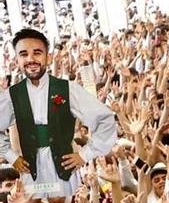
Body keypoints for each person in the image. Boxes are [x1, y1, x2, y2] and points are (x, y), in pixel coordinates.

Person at [0, 28, 117, 194]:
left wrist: (84, 154)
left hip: (65, 171)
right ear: (17, 59)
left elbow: (105, 119)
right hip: (31, 173)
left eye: (37, 53)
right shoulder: (11, 96)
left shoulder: (68, 89)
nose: (31, 59)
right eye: (24, 54)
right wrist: (11, 156)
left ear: (48, 57)